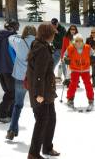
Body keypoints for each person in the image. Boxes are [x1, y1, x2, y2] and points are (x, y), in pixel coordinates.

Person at [27, 23, 60, 159]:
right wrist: (38, 94)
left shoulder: (41, 45)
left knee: (51, 119)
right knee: (41, 121)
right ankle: (33, 154)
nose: (54, 36)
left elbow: (43, 71)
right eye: (52, 33)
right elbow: (38, 74)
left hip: (47, 90)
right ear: (47, 34)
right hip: (42, 92)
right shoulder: (41, 48)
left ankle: (47, 147)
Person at [6, 26, 36, 140]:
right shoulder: (38, 42)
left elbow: (10, 37)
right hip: (33, 77)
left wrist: (19, 35)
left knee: (18, 105)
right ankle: (40, 131)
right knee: (36, 106)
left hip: (19, 77)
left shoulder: (18, 41)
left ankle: (12, 130)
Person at [0, 19, 18, 123]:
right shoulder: (13, 37)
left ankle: (9, 114)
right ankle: (1, 114)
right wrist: (16, 64)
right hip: (10, 68)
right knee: (12, 92)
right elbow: (13, 53)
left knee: (9, 91)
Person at [64, 34, 95, 110]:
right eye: (77, 41)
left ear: (83, 41)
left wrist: (94, 57)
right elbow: (65, 55)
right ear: (74, 42)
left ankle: (91, 100)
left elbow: (94, 54)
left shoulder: (87, 47)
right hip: (75, 69)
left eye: (80, 41)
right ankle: (70, 99)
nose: (79, 42)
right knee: (73, 84)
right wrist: (66, 59)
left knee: (88, 84)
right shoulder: (70, 48)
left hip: (85, 69)